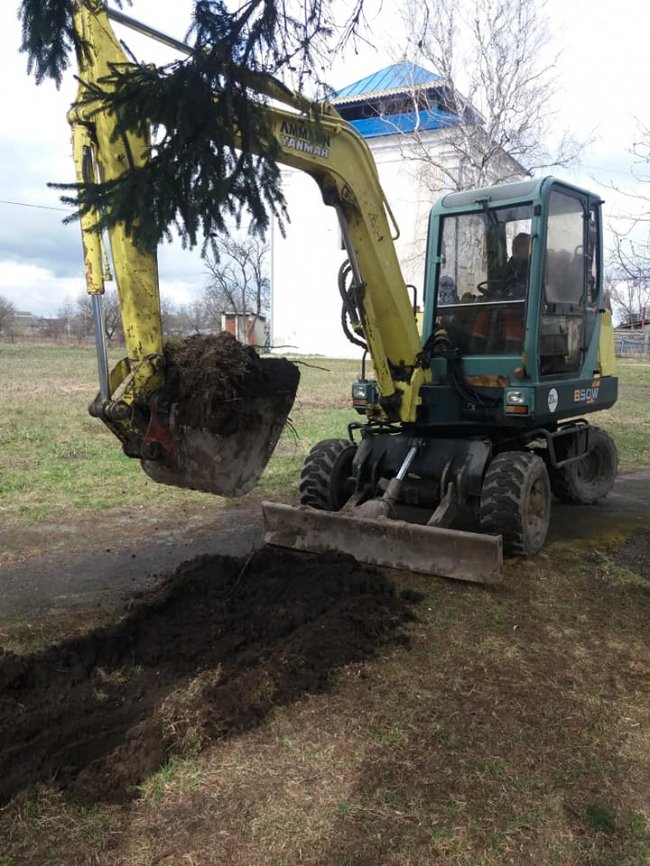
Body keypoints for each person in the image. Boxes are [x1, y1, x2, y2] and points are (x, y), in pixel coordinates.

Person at [470, 232, 530, 353]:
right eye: (514, 244)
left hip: (522, 309)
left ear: (530, 248)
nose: (516, 247)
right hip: (500, 306)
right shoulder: (503, 270)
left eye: (521, 244)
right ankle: (475, 354)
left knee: (510, 320)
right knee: (482, 317)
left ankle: (511, 357)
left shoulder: (534, 269)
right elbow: (493, 288)